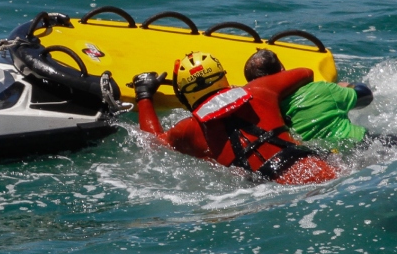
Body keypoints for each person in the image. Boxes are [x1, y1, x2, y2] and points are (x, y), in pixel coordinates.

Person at [131, 51, 339, 185]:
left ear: (184, 94)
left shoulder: (189, 129)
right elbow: (305, 72)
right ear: (223, 77)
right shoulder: (260, 90)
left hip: (272, 192)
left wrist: (144, 95)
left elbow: (153, 142)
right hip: (319, 168)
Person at [243, 49, 376, 149]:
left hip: (325, 162)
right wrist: (348, 86)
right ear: (283, 69)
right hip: (363, 146)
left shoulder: (263, 117)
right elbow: (365, 95)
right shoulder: (321, 89)